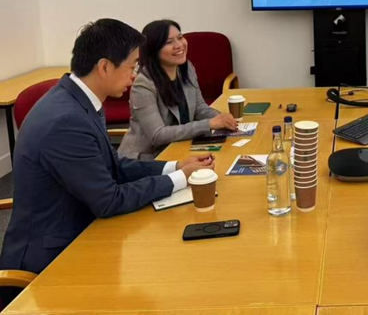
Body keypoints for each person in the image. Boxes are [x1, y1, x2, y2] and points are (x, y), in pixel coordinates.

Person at [0, 19, 215, 275]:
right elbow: (109, 200)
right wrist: (180, 179)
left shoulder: (79, 99)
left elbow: (114, 165)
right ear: (104, 67)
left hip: (84, 230)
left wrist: (175, 167)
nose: (134, 75)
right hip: (51, 261)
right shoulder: (66, 120)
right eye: (132, 66)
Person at [118, 19, 237, 160]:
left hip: (181, 146)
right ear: (153, 49)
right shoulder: (143, 84)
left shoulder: (186, 68)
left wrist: (223, 119)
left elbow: (199, 108)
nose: (179, 45)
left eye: (180, 37)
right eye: (169, 42)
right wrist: (209, 124)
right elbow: (158, 135)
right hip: (147, 158)